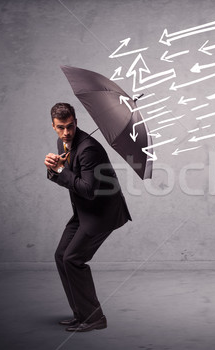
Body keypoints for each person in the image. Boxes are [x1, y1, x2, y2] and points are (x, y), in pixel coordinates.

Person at [44, 102, 131, 332]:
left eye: (70, 126)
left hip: (102, 213)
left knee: (72, 259)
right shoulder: (63, 143)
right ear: (53, 126)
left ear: (76, 122)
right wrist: (54, 168)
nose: (66, 132)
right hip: (83, 211)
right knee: (61, 255)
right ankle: (81, 314)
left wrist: (62, 171)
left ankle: (94, 318)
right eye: (61, 127)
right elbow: (66, 178)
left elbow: (88, 189)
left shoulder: (88, 149)